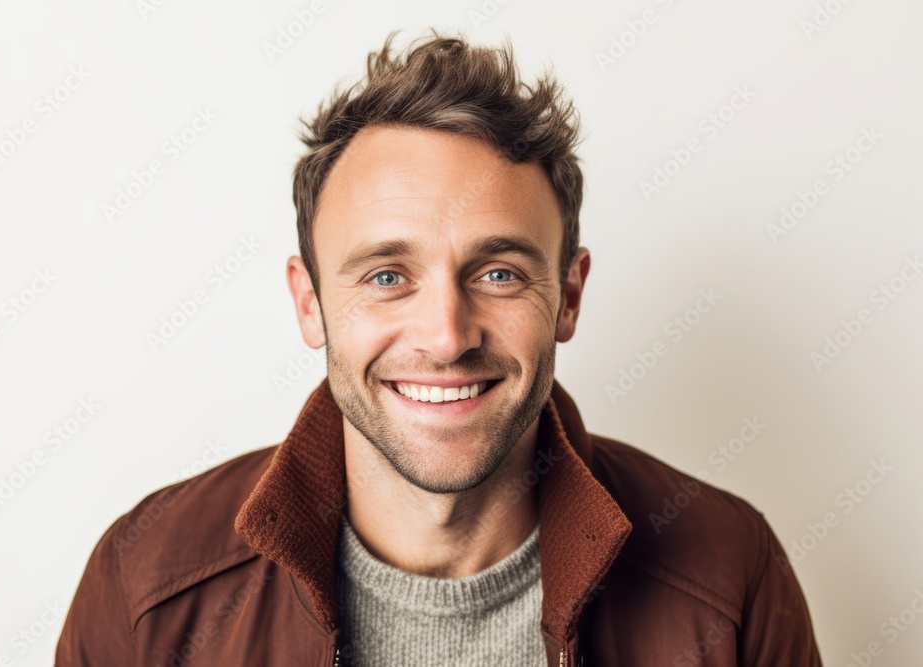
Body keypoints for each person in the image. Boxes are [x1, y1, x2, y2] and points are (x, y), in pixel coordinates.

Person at [55, 31, 822, 666]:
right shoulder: (146, 585)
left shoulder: (728, 574)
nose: (447, 337)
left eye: (498, 272)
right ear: (309, 301)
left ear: (571, 294)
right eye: (388, 275)